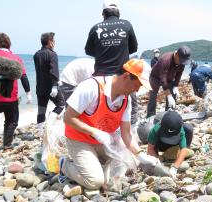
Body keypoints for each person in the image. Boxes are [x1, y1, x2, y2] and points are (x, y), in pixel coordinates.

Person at [60, 59, 159, 190]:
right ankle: (64, 165)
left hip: (102, 141)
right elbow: (67, 118)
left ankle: (94, 161)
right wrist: (94, 132)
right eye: (138, 84)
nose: (137, 90)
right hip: (79, 139)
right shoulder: (91, 87)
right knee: (95, 182)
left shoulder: (125, 100)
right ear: (126, 76)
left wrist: (141, 155)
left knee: (128, 162)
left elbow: (127, 134)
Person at [84, 0, 139, 126]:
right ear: (118, 12)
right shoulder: (127, 25)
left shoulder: (95, 28)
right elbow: (134, 48)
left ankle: (99, 132)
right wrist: (120, 49)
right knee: (128, 107)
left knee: (99, 109)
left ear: (103, 13)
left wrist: (102, 52)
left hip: (100, 78)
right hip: (123, 76)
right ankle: (130, 132)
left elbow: (88, 50)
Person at [0, 33, 31, 151]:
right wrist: (28, 94)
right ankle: (7, 145)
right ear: (9, 44)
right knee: (11, 121)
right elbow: (24, 77)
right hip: (10, 99)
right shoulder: (16, 59)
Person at [146, 46, 191, 118]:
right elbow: (163, 78)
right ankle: (150, 115)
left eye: (183, 61)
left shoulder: (182, 62)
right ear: (176, 55)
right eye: (180, 60)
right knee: (153, 96)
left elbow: (179, 73)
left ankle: (168, 114)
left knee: (173, 93)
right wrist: (168, 95)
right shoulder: (165, 60)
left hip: (169, 78)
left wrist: (176, 85)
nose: (181, 63)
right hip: (155, 77)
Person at [147, 111, 194, 177]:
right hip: (162, 146)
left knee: (188, 128)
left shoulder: (180, 129)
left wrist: (175, 167)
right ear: (161, 124)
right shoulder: (156, 130)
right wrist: (157, 163)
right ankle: (164, 157)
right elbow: (150, 149)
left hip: (176, 144)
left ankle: (181, 155)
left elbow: (183, 149)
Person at [34, 32, 65, 128]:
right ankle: (50, 118)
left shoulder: (36, 54)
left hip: (40, 87)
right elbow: (53, 71)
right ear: (50, 42)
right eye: (54, 41)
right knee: (61, 105)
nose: (54, 44)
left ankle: (40, 131)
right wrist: (55, 86)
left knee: (41, 110)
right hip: (51, 87)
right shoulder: (52, 54)